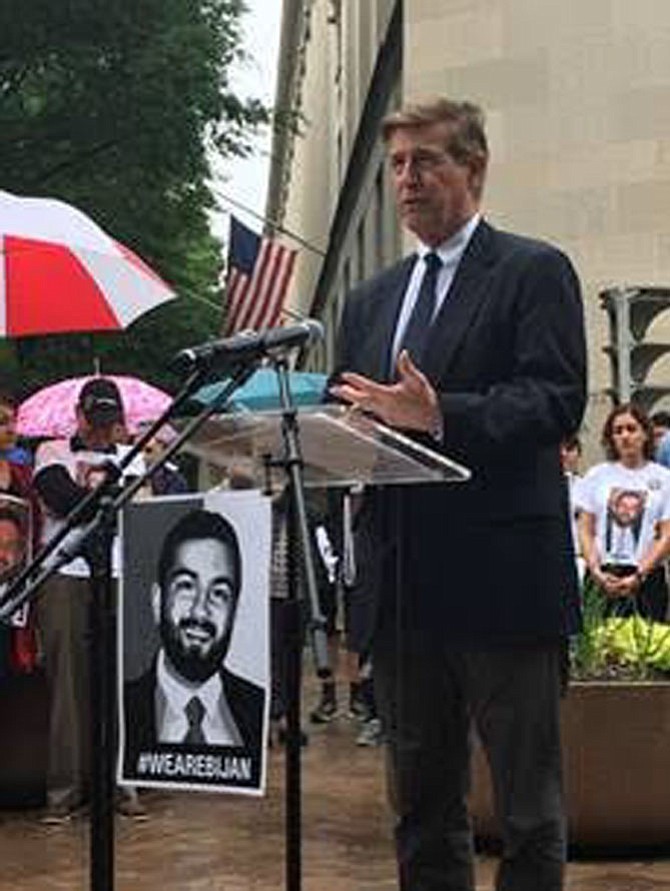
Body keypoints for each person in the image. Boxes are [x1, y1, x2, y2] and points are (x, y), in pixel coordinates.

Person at [331, 97, 586, 891]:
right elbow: (356, 411)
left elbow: (555, 399)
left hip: (504, 581)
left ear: (473, 169)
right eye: (399, 164)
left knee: (527, 812)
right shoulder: (370, 299)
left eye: (426, 161)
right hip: (405, 589)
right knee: (422, 810)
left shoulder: (531, 270)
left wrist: (441, 412)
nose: (406, 180)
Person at [33, 377, 147, 823]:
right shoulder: (51, 451)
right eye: (95, 421)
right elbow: (61, 499)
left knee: (121, 682)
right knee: (67, 687)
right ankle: (63, 792)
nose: (102, 432)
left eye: (109, 423)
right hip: (64, 574)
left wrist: (95, 499)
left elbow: (128, 507)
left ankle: (122, 785)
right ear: (79, 416)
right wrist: (101, 498)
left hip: (119, 574)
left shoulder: (131, 459)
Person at [122, 509, 265, 782]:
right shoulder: (123, 708)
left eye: (219, 593)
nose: (201, 611)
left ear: (235, 609)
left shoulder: (256, 708)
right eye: (186, 586)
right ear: (157, 599)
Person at [577, 403, 670, 621]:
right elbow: (586, 529)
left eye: (631, 428)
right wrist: (596, 569)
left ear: (645, 434)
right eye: (618, 431)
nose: (625, 436)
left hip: (645, 577)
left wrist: (640, 573)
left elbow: (665, 534)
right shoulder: (596, 476)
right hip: (603, 574)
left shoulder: (664, 478)